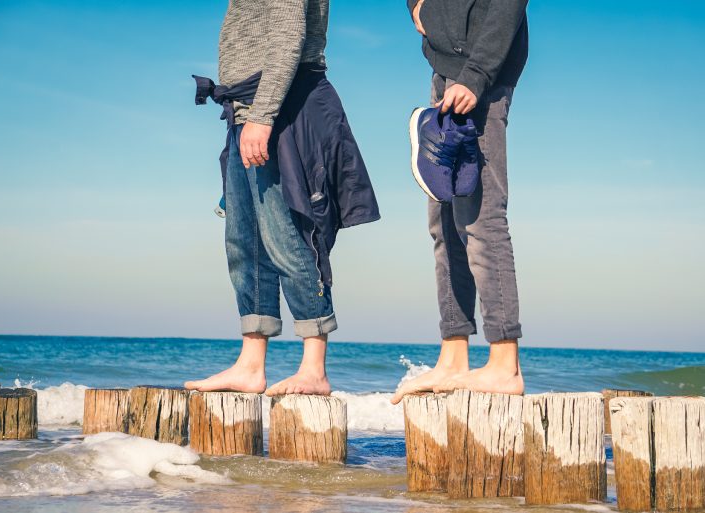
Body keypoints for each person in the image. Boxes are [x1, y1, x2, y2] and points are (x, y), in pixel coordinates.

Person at [186, 0, 379, 396]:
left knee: (288, 236)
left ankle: (314, 368)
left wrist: (263, 116)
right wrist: (250, 115)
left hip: (280, 107)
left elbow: (290, 34)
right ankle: (251, 364)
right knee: (246, 242)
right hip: (248, 110)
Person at [392, 0, 529, 404]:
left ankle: (505, 364)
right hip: (446, 74)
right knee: (444, 222)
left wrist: (476, 75)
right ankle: (453, 355)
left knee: (482, 222)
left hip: (480, 80)